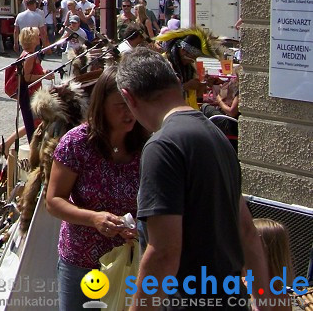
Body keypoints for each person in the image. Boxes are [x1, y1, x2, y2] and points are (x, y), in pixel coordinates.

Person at [116, 47, 271, 309]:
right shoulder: (216, 135)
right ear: (177, 82)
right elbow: (246, 230)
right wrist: (266, 301)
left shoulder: (161, 147)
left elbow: (164, 254)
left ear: (129, 98)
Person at [45, 66, 148, 311]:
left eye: (132, 103)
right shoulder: (77, 143)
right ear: (101, 105)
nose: (128, 112)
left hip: (130, 258)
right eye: (120, 104)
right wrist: (94, 218)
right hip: (82, 260)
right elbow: (54, 201)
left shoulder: (146, 143)